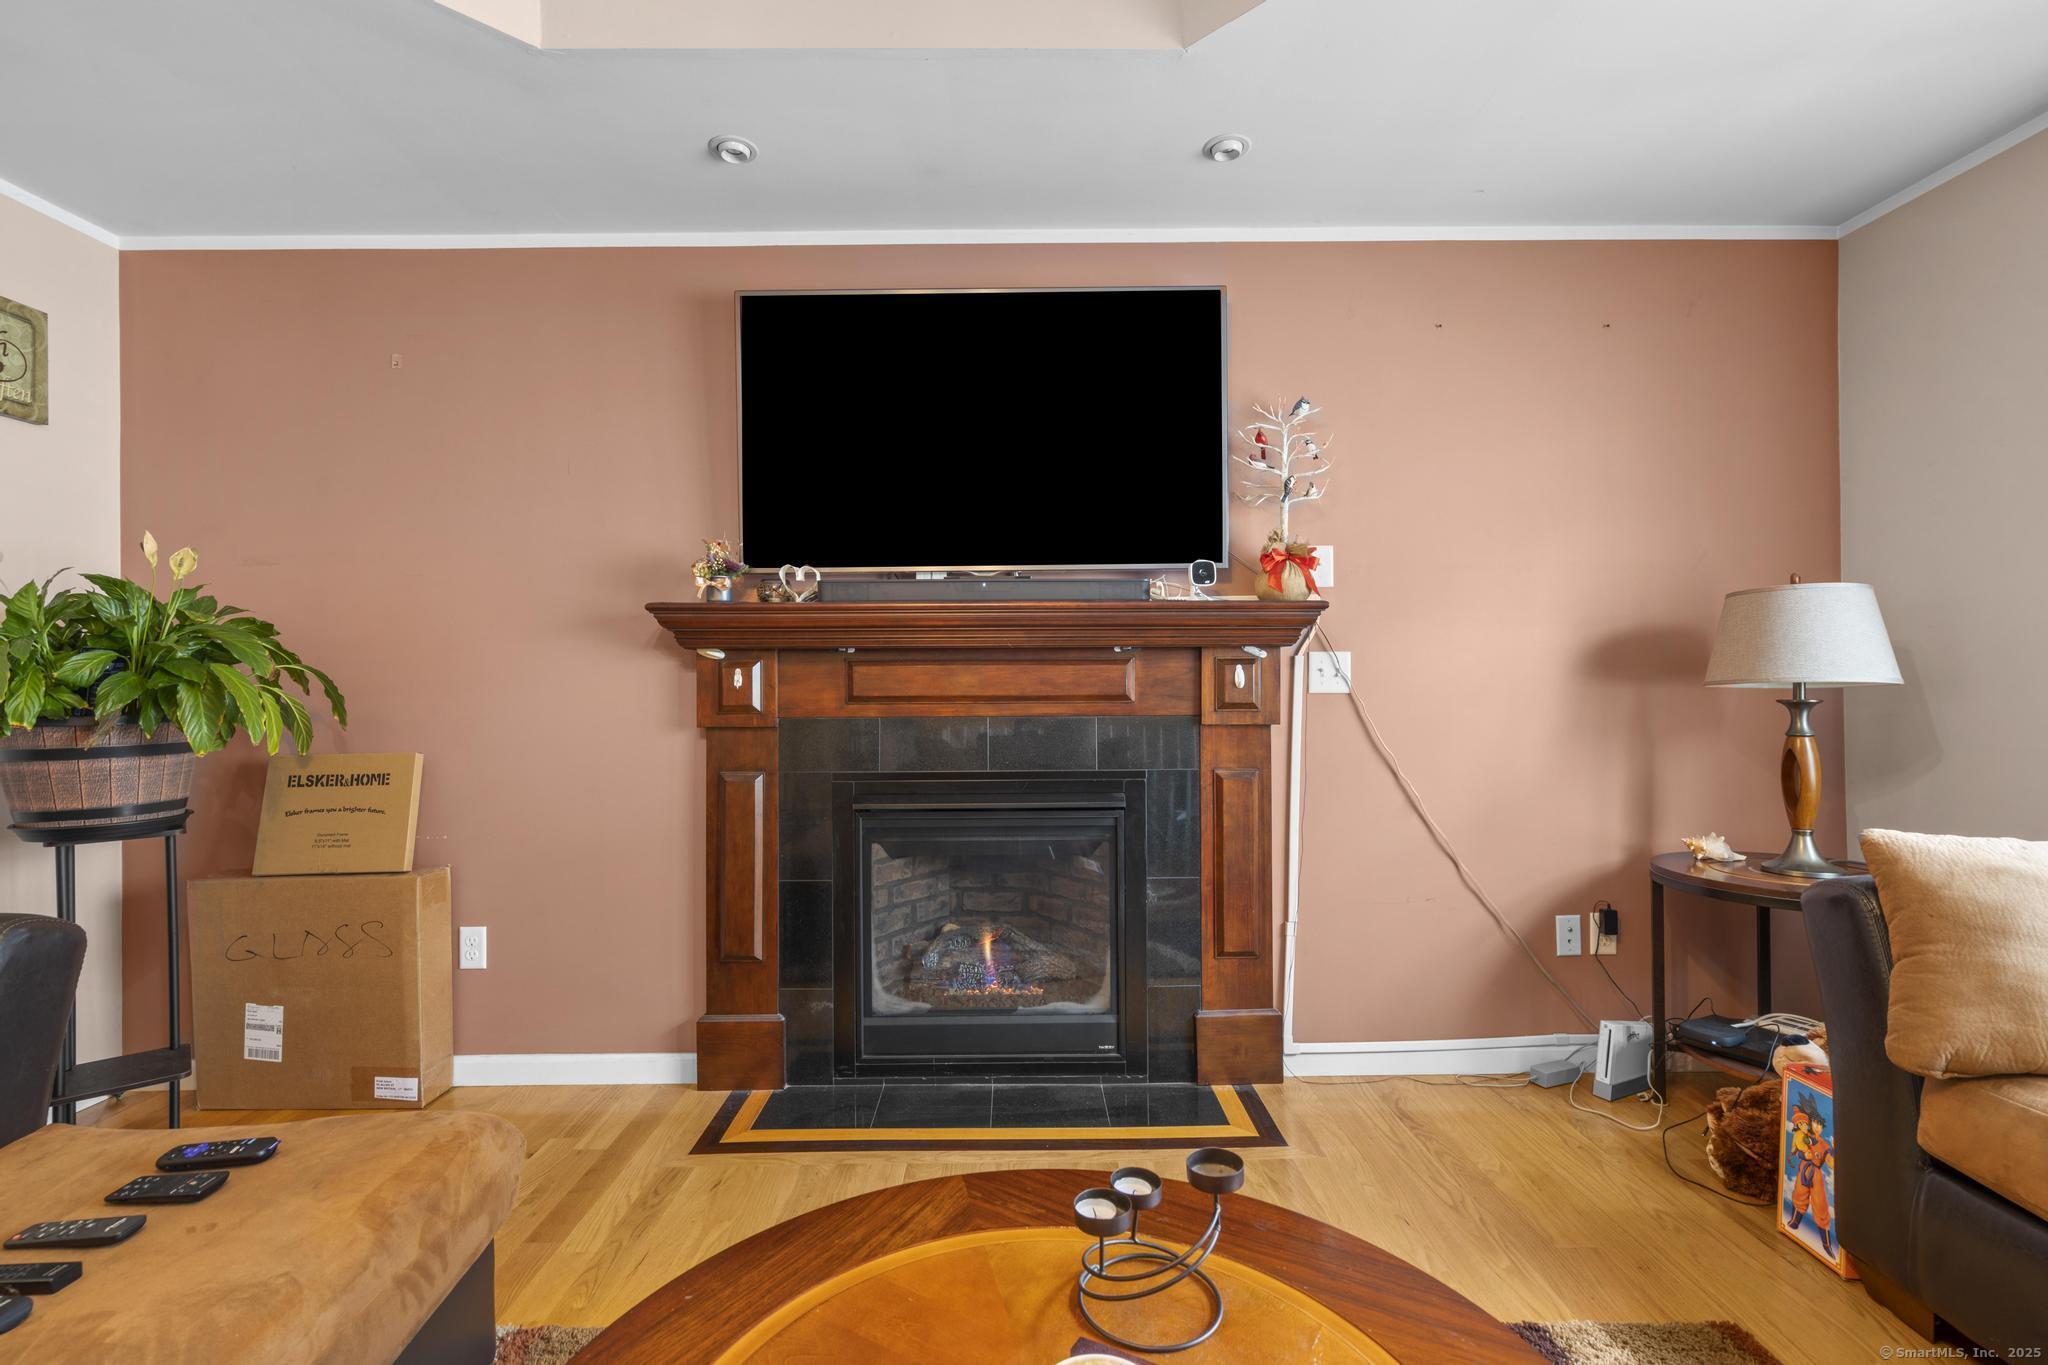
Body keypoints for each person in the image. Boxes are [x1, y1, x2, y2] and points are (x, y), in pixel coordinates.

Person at [1785, 1103, 1835, 1256]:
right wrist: (1801, 1155)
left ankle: (1826, 1244)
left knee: (1820, 1205)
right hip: (1804, 1168)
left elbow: (1831, 1163)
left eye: (1820, 1125)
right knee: (1799, 1194)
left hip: (1816, 1174)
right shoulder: (1803, 1135)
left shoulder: (1824, 1144)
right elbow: (1798, 1149)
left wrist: (1835, 1152)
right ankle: (1794, 1223)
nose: (1818, 1127)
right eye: (1815, 1123)